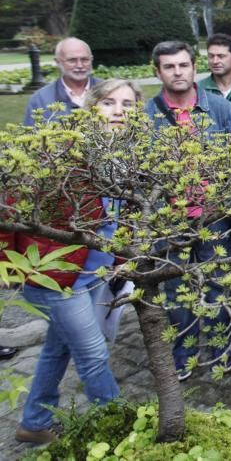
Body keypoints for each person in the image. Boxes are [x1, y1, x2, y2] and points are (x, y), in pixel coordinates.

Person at [4, 78, 142, 444]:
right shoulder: (66, 151)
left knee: (58, 347)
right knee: (93, 353)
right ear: (92, 106)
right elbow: (12, 200)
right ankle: (120, 430)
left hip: (91, 274)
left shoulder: (125, 155)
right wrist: (6, 261)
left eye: (127, 105)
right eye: (109, 103)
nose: (118, 112)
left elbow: (121, 215)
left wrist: (121, 255)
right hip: (55, 274)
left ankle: (33, 422)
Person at [144, 40, 231, 379]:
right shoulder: (146, 116)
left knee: (217, 284)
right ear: (157, 71)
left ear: (194, 68)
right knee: (175, 292)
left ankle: (220, 347)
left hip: (213, 219)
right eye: (169, 66)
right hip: (169, 223)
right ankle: (183, 353)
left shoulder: (219, 110)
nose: (177, 72)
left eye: (183, 65)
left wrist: (224, 201)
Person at [23, 37, 100, 126]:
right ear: (57, 62)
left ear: (91, 59)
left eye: (85, 60)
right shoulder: (40, 99)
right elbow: (32, 135)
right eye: (72, 60)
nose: (80, 65)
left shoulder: (109, 91)